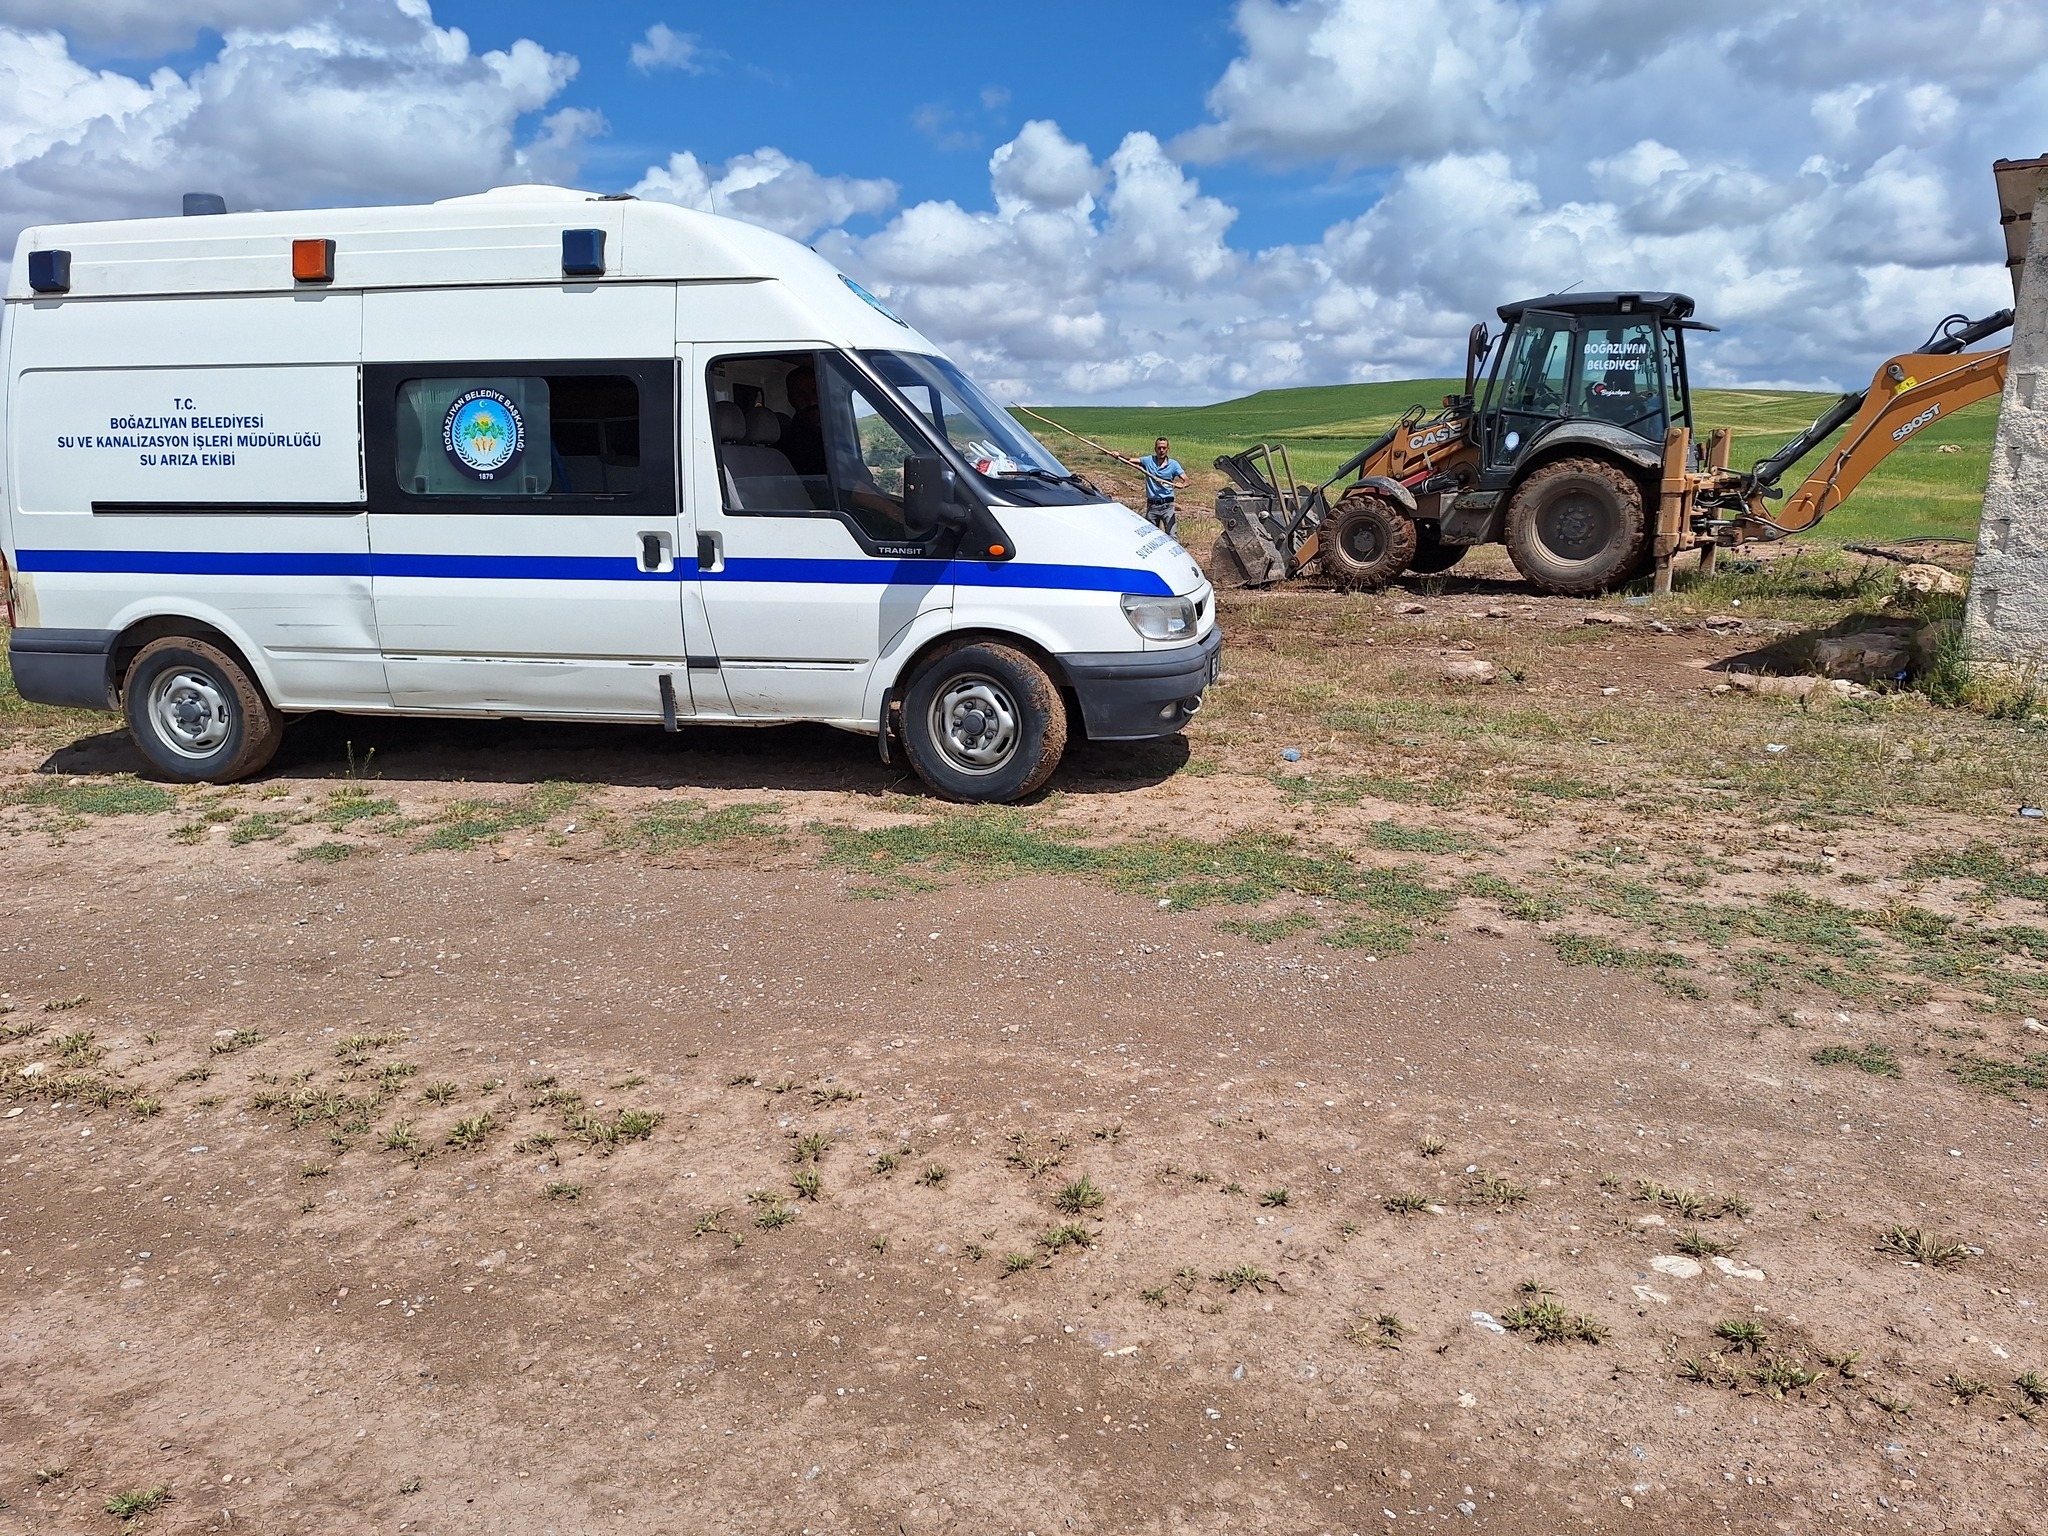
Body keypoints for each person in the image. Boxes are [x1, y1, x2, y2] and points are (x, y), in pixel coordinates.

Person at [1122, 437, 1187, 536]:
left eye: (1164, 448)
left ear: (1167, 449)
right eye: (1159, 448)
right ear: (1155, 449)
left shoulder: (1174, 464)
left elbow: (1187, 480)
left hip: (1167, 505)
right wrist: (1118, 455)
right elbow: (1129, 460)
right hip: (1152, 506)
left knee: (1172, 535)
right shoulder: (1148, 460)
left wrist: (1182, 485)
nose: (1161, 450)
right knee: (1151, 536)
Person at [781, 362, 827, 478]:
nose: (811, 401)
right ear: (791, 399)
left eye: (814, 391)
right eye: (800, 394)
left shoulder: (833, 433)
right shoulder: (791, 447)